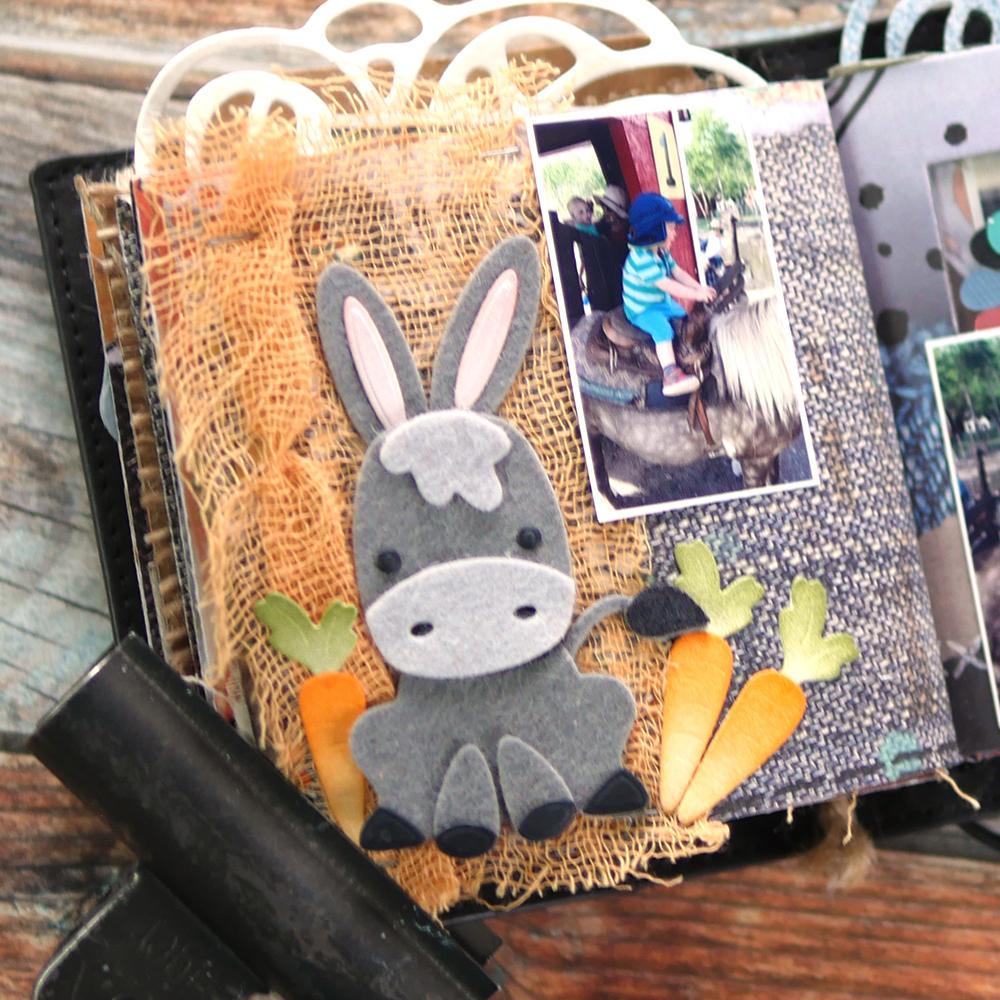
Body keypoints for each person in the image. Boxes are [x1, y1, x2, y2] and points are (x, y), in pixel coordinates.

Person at [623, 192, 716, 396]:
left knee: (685, 319)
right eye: (671, 228)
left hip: (660, 301)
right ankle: (670, 374)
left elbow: (678, 273)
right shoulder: (640, 259)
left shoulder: (661, 252)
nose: (674, 233)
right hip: (643, 308)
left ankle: (690, 355)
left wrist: (699, 289)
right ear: (654, 230)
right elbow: (668, 285)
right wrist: (696, 296)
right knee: (663, 330)